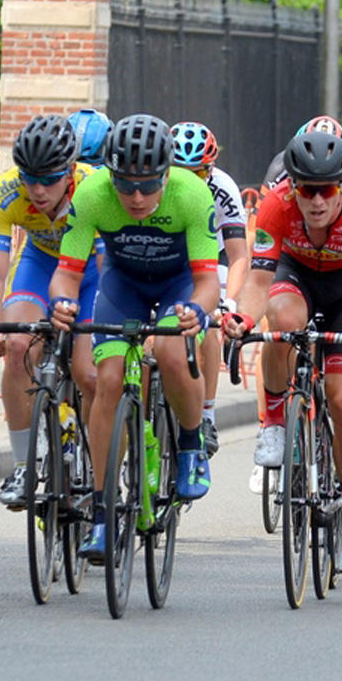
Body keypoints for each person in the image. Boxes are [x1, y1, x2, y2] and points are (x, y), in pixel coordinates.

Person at [49, 113, 219, 560]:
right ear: (110, 177)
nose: (137, 196)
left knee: (168, 349)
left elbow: (208, 282)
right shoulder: (91, 195)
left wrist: (198, 311)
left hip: (177, 286)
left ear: (167, 175)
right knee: (107, 381)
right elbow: (66, 274)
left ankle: (189, 441)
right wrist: (62, 304)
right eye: (125, 185)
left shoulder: (191, 194)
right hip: (122, 286)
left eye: (148, 185)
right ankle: (104, 517)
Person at [227, 131, 342, 573]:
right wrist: (240, 319)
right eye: (306, 190)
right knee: (282, 322)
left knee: (341, 398)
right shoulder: (276, 206)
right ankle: (277, 420)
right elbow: (258, 284)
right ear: (292, 186)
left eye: (327, 190)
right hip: (294, 275)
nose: (316, 201)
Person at [0, 115, 101, 508]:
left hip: (93, 269)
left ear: (71, 170)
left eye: (50, 179)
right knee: (18, 344)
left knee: (89, 372)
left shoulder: (96, 187)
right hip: (41, 262)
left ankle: (97, 470)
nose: (38, 190)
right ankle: (24, 464)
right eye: (30, 178)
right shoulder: (3, 193)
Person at [170, 121, 249, 457]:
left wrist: (228, 302)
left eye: (199, 174)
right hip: (170, 257)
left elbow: (239, 257)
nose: (190, 182)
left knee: (210, 323)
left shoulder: (223, 187)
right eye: (181, 172)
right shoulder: (153, 186)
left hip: (210, 257)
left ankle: (207, 415)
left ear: (211, 169)